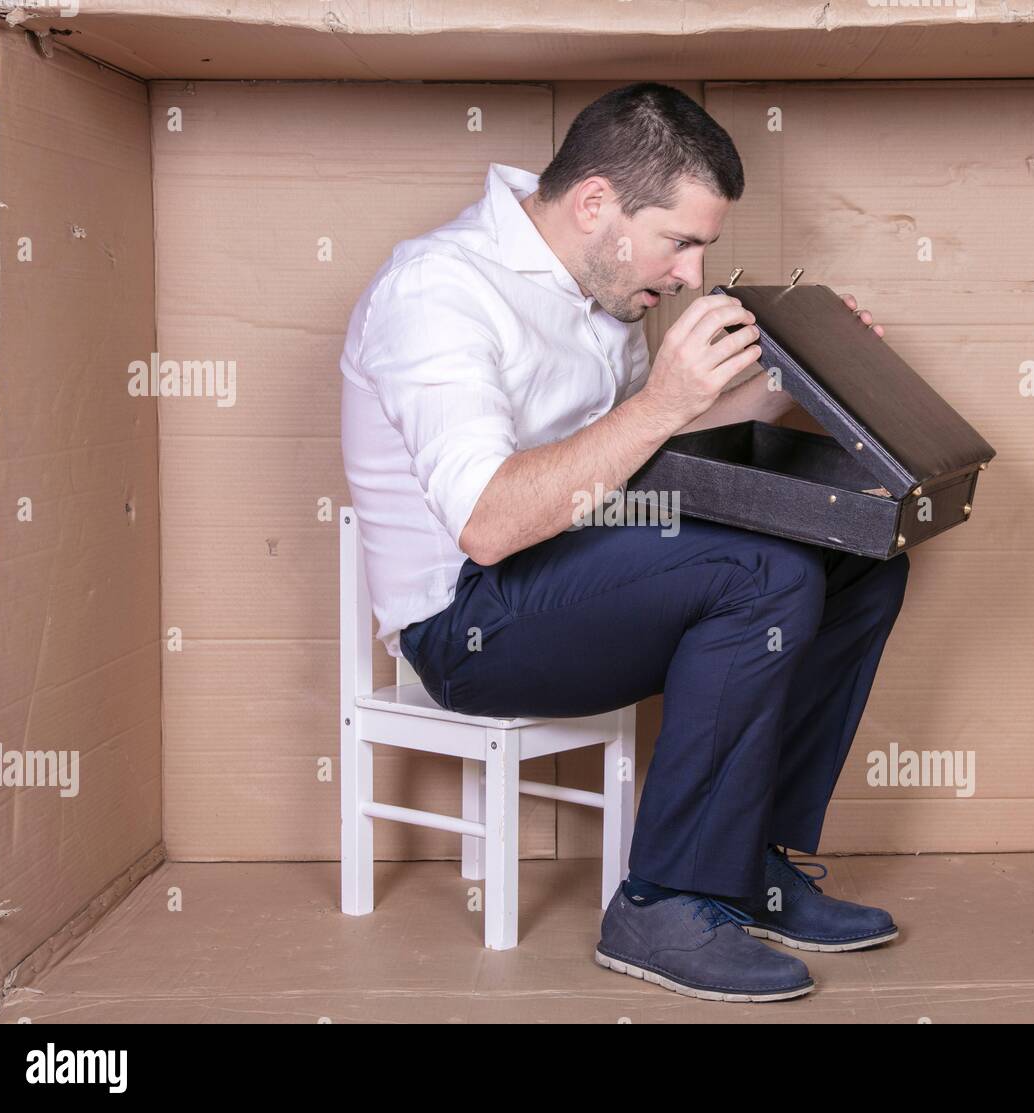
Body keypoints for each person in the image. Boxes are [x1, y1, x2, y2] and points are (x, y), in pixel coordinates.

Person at [339, 82, 910, 1003]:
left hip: (579, 570)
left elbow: (642, 465)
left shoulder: (601, 285)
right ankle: (662, 902)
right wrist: (662, 400)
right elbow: (487, 523)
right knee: (762, 569)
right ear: (596, 203)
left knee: (856, 550)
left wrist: (786, 385)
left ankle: (745, 862)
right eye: (681, 241)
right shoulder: (437, 290)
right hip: (468, 623)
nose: (689, 274)